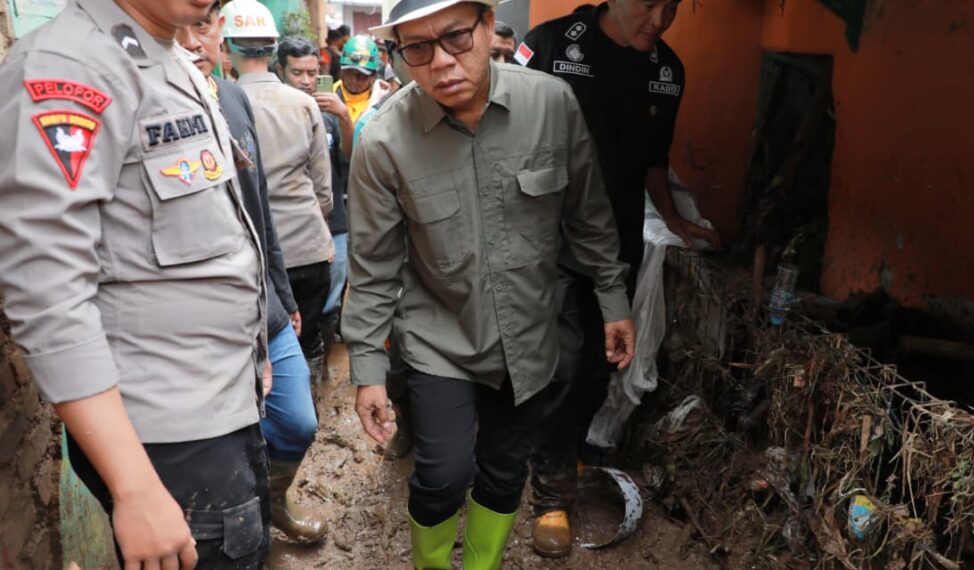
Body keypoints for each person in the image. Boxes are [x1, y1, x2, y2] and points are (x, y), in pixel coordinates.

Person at [345, 0, 636, 567]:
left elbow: (589, 215)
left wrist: (613, 300)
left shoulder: (551, 104)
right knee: (442, 473)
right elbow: (374, 267)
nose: (441, 62)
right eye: (418, 48)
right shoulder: (383, 141)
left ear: (485, 26)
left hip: (529, 331)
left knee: (504, 472)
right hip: (438, 334)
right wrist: (367, 370)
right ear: (400, 54)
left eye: (455, 36)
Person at [0, 0, 271, 566]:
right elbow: (47, 289)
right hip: (165, 440)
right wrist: (134, 486)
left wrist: (255, 352)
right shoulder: (70, 67)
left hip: (220, 400)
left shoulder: (167, 55)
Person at [519, 0, 722, 558]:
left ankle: (562, 452)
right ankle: (551, 493)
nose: (660, 19)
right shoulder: (552, 44)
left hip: (617, 245)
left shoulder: (666, 71)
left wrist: (672, 218)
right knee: (562, 362)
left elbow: (655, 159)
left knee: (599, 362)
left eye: (672, 6)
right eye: (649, 3)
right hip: (549, 240)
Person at [180, 3, 328, 545]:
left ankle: (272, 502)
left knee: (297, 421)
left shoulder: (233, 98)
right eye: (178, 27)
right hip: (196, 317)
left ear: (221, 34)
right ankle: (247, 529)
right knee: (230, 437)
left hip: (261, 301)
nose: (192, 42)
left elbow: (257, 207)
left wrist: (282, 295)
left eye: (202, 24)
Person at [223, 0, 336, 390]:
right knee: (309, 337)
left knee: (264, 350)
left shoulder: (219, 103)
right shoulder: (304, 104)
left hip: (254, 256)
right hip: (309, 246)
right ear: (273, 50)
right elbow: (323, 189)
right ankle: (309, 399)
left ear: (227, 49)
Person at [275, 36, 355, 384]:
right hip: (288, 232)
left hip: (334, 227)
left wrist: (344, 115)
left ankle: (318, 380)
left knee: (329, 305)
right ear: (280, 70)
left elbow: (349, 159)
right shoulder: (271, 112)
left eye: (312, 72)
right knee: (288, 310)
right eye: (298, 72)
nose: (306, 81)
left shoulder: (329, 113)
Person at [333, 34, 397, 126]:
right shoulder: (330, 95)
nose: (354, 80)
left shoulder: (383, 101)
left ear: (373, 76)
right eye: (349, 73)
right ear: (342, 72)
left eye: (361, 76)